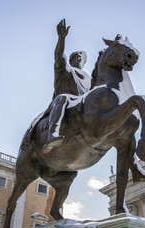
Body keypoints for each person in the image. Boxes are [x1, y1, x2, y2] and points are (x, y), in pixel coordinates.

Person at [42, 19, 91, 153]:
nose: (81, 60)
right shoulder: (65, 69)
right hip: (63, 104)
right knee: (63, 98)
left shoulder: (89, 78)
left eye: (83, 59)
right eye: (78, 57)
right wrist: (61, 38)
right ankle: (53, 134)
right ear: (71, 60)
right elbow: (58, 55)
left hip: (81, 108)